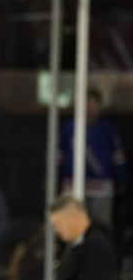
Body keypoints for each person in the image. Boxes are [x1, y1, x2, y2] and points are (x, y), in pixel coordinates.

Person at [35, 195, 116, 280]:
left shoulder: (96, 245)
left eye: (57, 224)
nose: (56, 230)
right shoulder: (77, 245)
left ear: (72, 218)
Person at [59, 86, 127, 227]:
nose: (90, 108)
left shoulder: (107, 130)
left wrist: (121, 180)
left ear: (99, 106)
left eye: (94, 104)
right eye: (86, 103)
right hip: (72, 187)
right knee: (71, 229)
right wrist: (56, 179)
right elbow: (59, 157)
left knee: (101, 228)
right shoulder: (68, 129)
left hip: (101, 189)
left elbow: (118, 158)